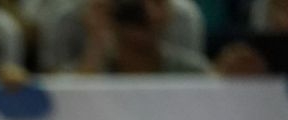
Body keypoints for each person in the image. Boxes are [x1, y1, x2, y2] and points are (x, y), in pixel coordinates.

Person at [75, 0, 210, 71]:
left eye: (156, 2)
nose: (145, 13)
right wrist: (96, 43)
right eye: (133, 3)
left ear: (170, 12)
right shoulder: (90, 70)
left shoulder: (192, 73)